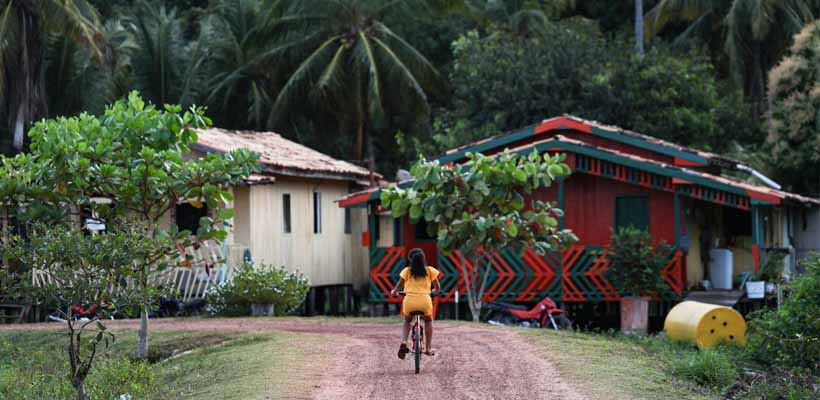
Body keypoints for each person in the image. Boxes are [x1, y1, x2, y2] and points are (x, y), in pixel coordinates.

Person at [390, 248, 440, 359]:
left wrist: (394, 292)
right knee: (428, 320)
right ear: (423, 259)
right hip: (425, 301)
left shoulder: (407, 271)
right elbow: (437, 288)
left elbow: (397, 287)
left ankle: (404, 341)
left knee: (407, 320)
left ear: (410, 259)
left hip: (410, 302)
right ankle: (427, 348)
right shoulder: (430, 271)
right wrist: (433, 292)